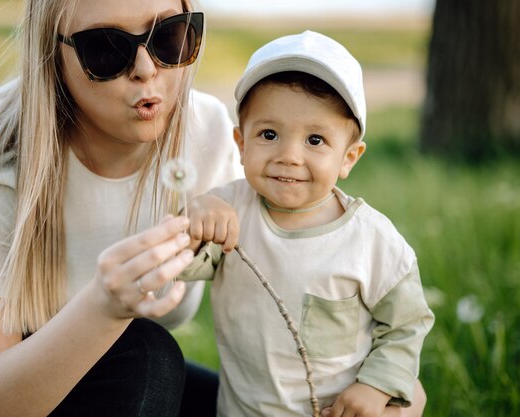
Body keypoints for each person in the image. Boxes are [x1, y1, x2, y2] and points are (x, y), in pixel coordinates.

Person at [0, 0, 242, 416]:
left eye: (169, 36)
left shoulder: (212, 132)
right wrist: (101, 308)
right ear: (52, 57)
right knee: (147, 358)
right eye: (106, 48)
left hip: (93, 346)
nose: (147, 69)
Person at [178, 30, 435, 417]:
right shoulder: (229, 209)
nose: (289, 156)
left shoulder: (372, 241)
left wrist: (375, 387)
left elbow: (407, 324)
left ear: (349, 157)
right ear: (241, 143)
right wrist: (191, 220)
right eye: (269, 134)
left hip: (337, 409)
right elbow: (180, 265)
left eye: (315, 140)